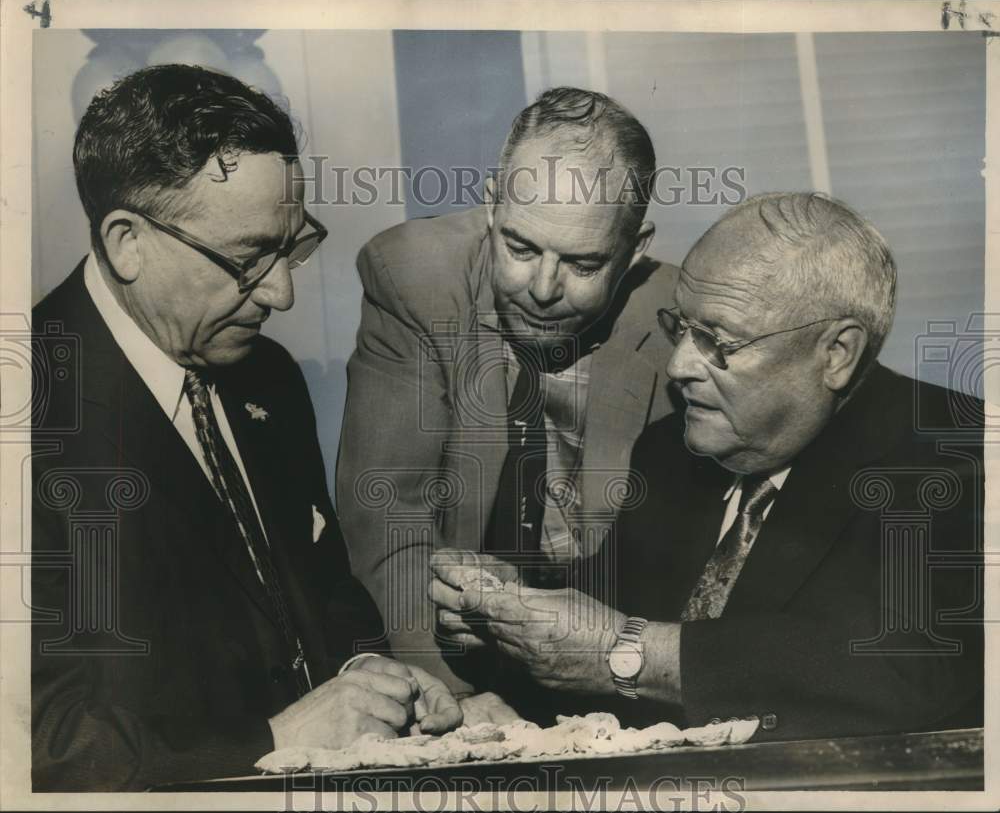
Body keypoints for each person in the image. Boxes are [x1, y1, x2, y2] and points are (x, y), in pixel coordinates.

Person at [31, 64, 461, 792]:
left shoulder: (267, 377)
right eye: (246, 259)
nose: (282, 292)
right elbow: (41, 743)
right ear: (127, 242)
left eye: (290, 246)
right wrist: (273, 739)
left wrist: (370, 676)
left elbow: (320, 588)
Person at [431, 192, 983, 740]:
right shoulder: (670, 449)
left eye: (717, 341)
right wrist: (510, 609)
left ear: (836, 353)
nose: (678, 366)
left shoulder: (962, 455)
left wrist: (628, 654)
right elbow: (612, 610)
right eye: (681, 327)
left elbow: (902, 665)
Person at [336, 87, 679, 697]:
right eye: (520, 248)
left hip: (614, 666)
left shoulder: (679, 318)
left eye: (583, 265)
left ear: (635, 250)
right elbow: (390, 520)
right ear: (492, 205)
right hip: (457, 666)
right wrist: (464, 710)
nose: (543, 288)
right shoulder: (412, 277)